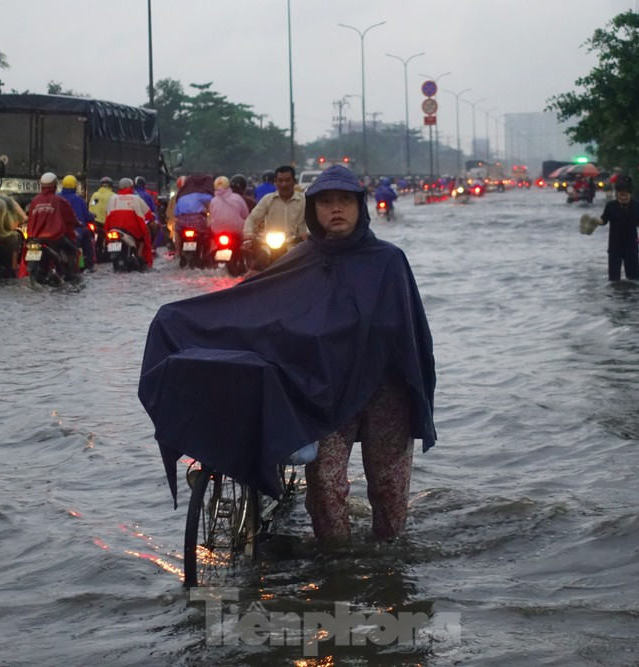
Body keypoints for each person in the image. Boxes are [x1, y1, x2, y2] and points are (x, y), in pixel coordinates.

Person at [138, 164, 436, 544]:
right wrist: (179, 318)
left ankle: (389, 564)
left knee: (388, 488)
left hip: (384, 389)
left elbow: (410, 335)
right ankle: (337, 567)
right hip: (326, 392)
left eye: (345, 201)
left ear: (360, 206)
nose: (336, 210)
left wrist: (413, 391)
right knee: (326, 488)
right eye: (326, 202)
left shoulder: (389, 261)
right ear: (313, 210)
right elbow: (255, 302)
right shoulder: (301, 259)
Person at [242, 166, 307, 273]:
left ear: (294, 182)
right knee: (253, 272)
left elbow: (314, 222)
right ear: (275, 182)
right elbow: (252, 218)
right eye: (280, 180)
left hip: (297, 246)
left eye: (287, 180)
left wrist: (306, 235)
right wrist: (248, 233)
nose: (284, 184)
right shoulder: (268, 200)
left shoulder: (304, 201)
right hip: (270, 247)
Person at [26, 172, 80, 279]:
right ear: (55, 185)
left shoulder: (35, 200)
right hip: (54, 237)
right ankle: (70, 275)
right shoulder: (60, 200)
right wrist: (78, 223)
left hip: (34, 238)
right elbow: (71, 218)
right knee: (73, 249)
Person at [597, 174, 639, 281]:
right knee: (613, 279)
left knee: (634, 278)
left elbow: (638, 222)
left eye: (625, 195)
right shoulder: (611, 206)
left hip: (631, 245)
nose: (622, 197)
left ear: (630, 194)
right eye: (620, 195)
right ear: (616, 193)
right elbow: (603, 220)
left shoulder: (637, 206)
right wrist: (595, 221)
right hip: (615, 246)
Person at [105, 177, 155, 268]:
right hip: (131, 230)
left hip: (113, 229)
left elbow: (107, 214)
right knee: (143, 238)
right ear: (131, 187)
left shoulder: (112, 198)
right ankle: (140, 257)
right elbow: (148, 215)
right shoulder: (136, 198)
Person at [58, 174, 96, 272]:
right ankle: (89, 264)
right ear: (75, 186)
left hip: (57, 231)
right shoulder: (79, 199)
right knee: (87, 237)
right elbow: (87, 217)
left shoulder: (57, 197)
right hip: (76, 231)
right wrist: (93, 216)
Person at [173, 174, 215, 258]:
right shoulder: (199, 194)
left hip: (182, 221)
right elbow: (212, 198)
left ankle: (177, 252)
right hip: (197, 220)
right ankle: (208, 252)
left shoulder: (181, 197)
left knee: (177, 232)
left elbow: (176, 214)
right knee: (208, 232)